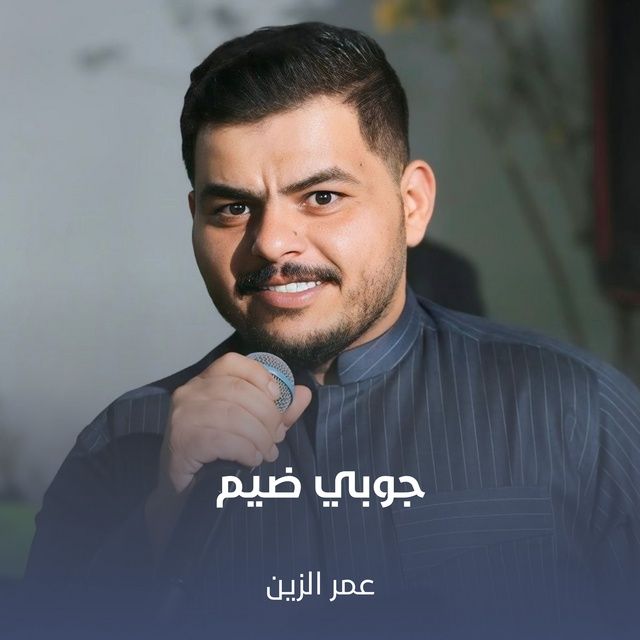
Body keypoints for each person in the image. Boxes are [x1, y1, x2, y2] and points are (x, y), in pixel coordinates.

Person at [19, 21, 640, 639]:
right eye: (233, 208)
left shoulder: (577, 414)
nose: (271, 242)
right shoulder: (124, 442)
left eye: (321, 197)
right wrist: (165, 512)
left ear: (412, 204)